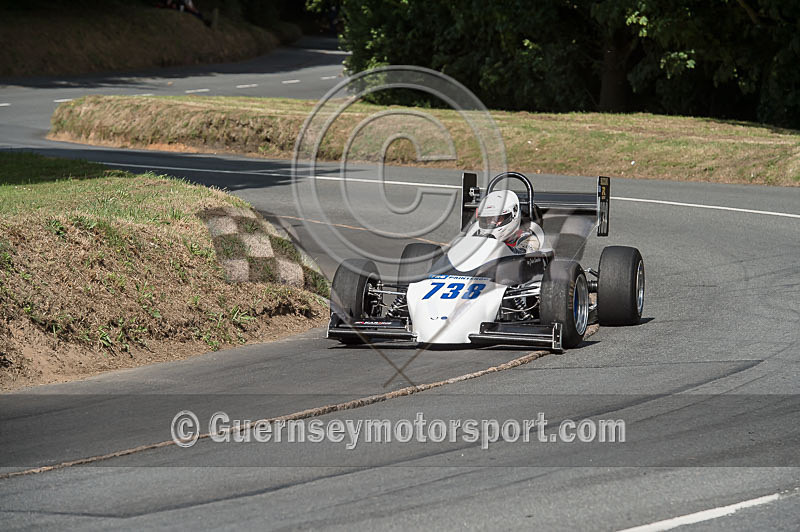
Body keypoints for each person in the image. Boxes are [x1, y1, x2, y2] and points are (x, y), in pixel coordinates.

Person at [475, 190, 545, 254]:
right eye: (488, 219)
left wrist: (494, 245)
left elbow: (522, 256)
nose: (492, 223)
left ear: (513, 215)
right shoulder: (478, 237)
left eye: (497, 218)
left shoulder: (529, 239)